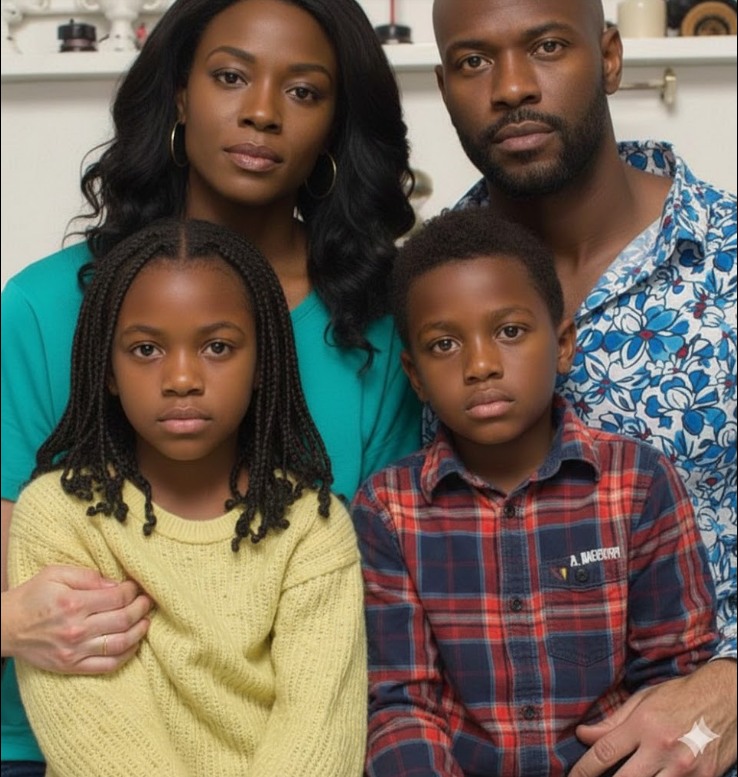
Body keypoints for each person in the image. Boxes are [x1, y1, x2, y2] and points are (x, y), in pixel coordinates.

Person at [1, 0, 421, 773]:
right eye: (230, 76)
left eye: (303, 91)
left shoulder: (383, 325)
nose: (262, 112)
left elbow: (370, 599)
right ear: (179, 96)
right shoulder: (41, 306)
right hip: (56, 743)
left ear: (335, 126)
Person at [429, 0, 737, 775]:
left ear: (609, 58)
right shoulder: (421, 293)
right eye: (474, 61)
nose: (511, 87)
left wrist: (732, 691)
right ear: (442, 87)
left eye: (546, 46)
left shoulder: (729, 260)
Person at [351, 206, 718, 777]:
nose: (480, 365)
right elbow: (402, 702)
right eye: (444, 344)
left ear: (563, 343)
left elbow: (674, 680)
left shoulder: (639, 483)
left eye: (510, 332)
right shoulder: (388, 508)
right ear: (415, 375)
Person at [8, 217, 367, 777]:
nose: (181, 378)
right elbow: (94, 737)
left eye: (217, 347)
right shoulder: (61, 516)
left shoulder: (312, 527)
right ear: (107, 370)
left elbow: (320, 733)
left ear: (262, 365)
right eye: (146, 349)